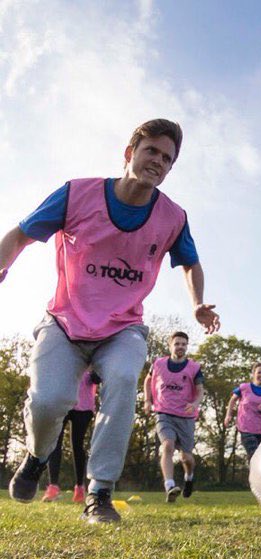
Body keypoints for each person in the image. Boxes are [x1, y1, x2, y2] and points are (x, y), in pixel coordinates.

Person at [2, 118, 220, 523]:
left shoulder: (172, 216)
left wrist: (198, 304)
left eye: (167, 158)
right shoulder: (77, 194)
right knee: (49, 402)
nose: (158, 161)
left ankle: (99, 493)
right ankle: (35, 456)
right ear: (129, 153)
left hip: (122, 328)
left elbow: (190, 262)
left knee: (122, 382)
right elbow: (20, 234)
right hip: (64, 323)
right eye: (151, 150)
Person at [144, 331, 205, 501]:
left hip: (186, 416)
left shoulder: (194, 367)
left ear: (187, 346)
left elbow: (200, 391)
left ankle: (189, 477)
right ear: (170, 345)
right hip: (164, 413)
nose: (180, 347)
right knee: (167, 446)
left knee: (187, 458)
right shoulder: (158, 363)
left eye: (183, 344)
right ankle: (170, 485)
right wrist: (147, 400)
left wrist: (194, 404)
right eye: (177, 343)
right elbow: (148, 381)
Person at [42, 371, 100, 503]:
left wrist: (92, 368)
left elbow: (97, 379)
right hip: (61, 402)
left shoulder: (92, 355)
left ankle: (80, 487)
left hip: (84, 405)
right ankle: (53, 487)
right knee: (55, 442)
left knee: (77, 445)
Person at [224, 362, 261, 459]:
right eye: (259, 372)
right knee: (254, 456)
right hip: (247, 429)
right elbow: (232, 400)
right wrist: (228, 415)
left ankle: (258, 474)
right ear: (253, 373)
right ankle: (253, 473)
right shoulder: (244, 388)